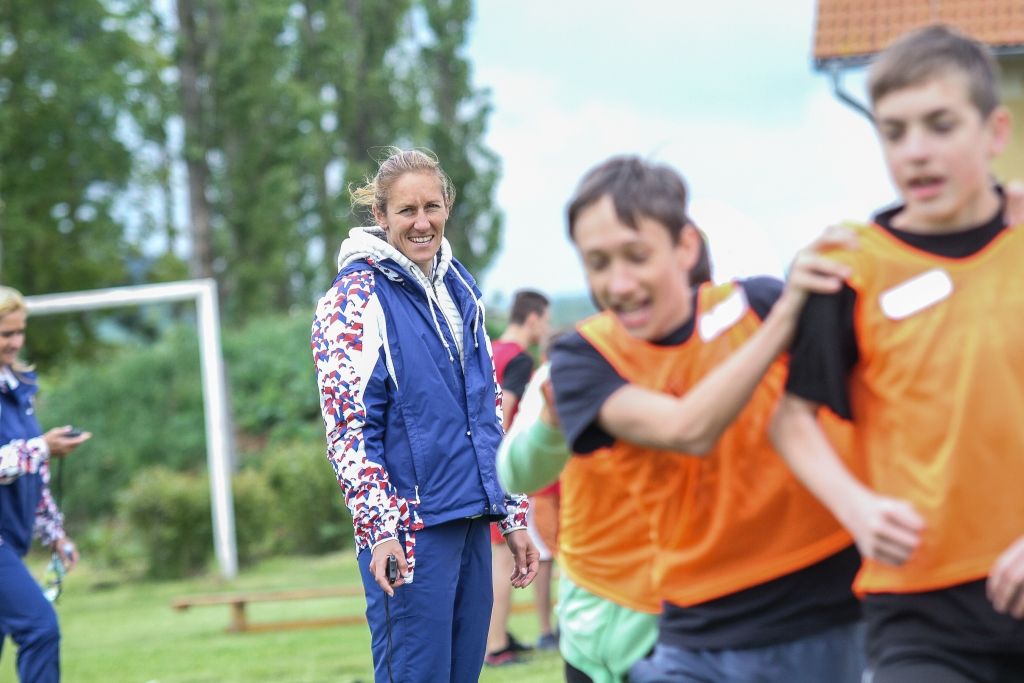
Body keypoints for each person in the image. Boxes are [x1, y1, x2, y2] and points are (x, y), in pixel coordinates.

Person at [770, 25, 1024, 682]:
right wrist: (855, 507)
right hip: (919, 611)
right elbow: (792, 420)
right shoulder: (848, 271)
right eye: (895, 131)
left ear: (995, 131)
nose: (916, 151)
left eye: (941, 125)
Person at [549, 155, 865, 682]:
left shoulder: (758, 304)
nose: (619, 283)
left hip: (824, 612)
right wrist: (787, 316)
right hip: (699, 628)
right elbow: (686, 429)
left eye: (636, 256)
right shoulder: (584, 358)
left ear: (686, 247)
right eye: (598, 263)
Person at [312, 147, 539, 683]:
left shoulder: (460, 288)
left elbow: (487, 409)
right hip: (409, 531)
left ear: (447, 208)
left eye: (431, 207)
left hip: (471, 516)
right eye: (407, 210)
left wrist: (512, 512)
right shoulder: (352, 299)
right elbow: (348, 430)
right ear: (381, 215)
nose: (421, 222)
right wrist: (379, 529)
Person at [0, 286, 89, 683]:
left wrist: (54, 534)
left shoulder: (18, 389)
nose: (15, 342)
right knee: (39, 628)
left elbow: (33, 473)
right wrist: (42, 447)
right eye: (6, 334)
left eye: (20, 332)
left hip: (13, 540)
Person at [486, 289, 553, 665]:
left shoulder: (490, 350)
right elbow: (502, 415)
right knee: (503, 560)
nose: (546, 328)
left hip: (481, 466)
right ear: (532, 319)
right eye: (546, 320)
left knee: (495, 558)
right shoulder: (519, 358)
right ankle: (495, 646)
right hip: (502, 470)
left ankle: (498, 635)